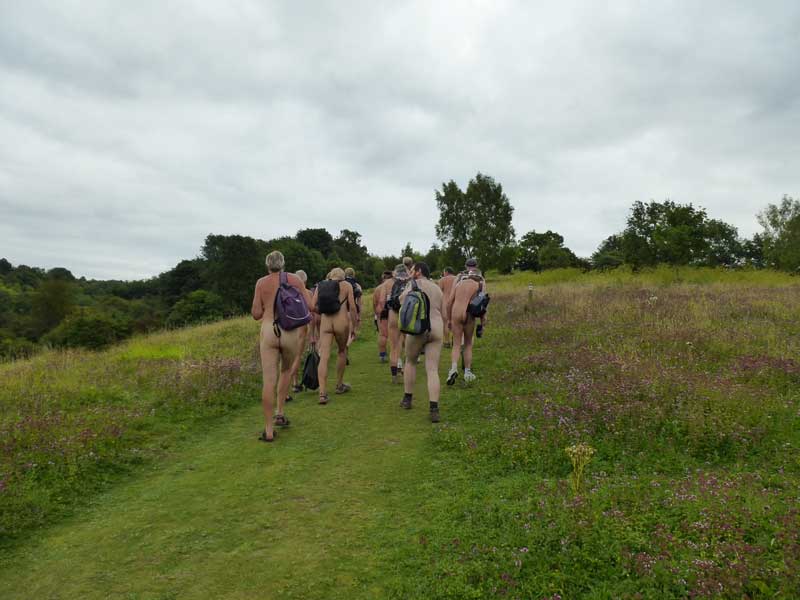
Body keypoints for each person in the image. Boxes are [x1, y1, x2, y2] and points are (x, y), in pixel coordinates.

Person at [251, 251, 312, 442]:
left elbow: (256, 314)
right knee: (286, 371)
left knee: (268, 380)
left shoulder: (261, 283)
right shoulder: (295, 279)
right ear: (283, 263)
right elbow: (310, 305)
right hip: (289, 331)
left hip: (269, 330)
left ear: (267, 265)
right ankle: (280, 412)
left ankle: (268, 430)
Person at [399, 262, 444, 423]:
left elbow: (401, 301)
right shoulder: (437, 288)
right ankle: (434, 408)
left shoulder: (413, 284)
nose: (410, 272)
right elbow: (442, 309)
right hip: (436, 327)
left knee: (410, 362)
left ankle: (407, 399)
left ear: (418, 271)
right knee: (432, 369)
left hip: (418, 327)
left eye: (412, 270)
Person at [310, 267, 357, 404]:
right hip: (341, 322)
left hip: (325, 323)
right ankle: (339, 385)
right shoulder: (347, 285)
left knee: (324, 356)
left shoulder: (321, 285)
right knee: (342, 351)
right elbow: (352, 307)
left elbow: (312, 306)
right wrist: (354, 326)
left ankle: (322, 393)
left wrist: (322, 312)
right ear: (343, 276)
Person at [444, 257, 487, 385]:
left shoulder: (459, 279)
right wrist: (483, 322)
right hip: (469, 314)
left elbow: (449, 302)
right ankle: (467, 372)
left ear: (465, 266)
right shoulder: (480, 281)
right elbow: (483, 302)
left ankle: (453, 369)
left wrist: (449, 319)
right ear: (476, 266)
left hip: (456, 312)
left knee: (456, 344)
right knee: (468, 344)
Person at [384, 264, 410, 383]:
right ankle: (405, 369)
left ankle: (394, 375)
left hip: (393, 314)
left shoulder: (388, 283)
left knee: (394, 346)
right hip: (407, 313)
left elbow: (384, 301)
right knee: (407, 344)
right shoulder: (410, 282)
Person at [290, 269, 313, 395]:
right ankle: (289, 383)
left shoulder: (287, 292)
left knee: (290, 357)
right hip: (302, 329)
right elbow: (311, 315)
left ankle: (294, 383)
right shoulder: (308, 293)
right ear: (305, 281)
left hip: (289, 328)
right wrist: (313, 334)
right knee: (298, 357)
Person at [373, 270, 393, 362]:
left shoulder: (378, 288)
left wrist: (376, 314)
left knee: (383, 334)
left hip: (382, 312)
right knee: (398, 334)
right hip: (393, 311)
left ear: (383, 278)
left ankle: (382, 355)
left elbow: (375, 303)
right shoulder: (395, 285)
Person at [438, 267, 457, 348]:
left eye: (444, 272)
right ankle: (455, 339)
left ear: (446, 272)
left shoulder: (442, 280)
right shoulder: (457, 279)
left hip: (445, 303)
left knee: (445, 323)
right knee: (456, 322)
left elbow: (439, 291)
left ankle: (446, 341)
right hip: (455, 302)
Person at [344, 267, 362, 347]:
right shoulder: (357, 285)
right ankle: (347, 345)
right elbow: (359, 302)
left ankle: (343, 346)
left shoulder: (341, 284)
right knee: (351, 332)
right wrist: (359, 315)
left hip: (342, 310)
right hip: (352, 309)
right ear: (353, 274)